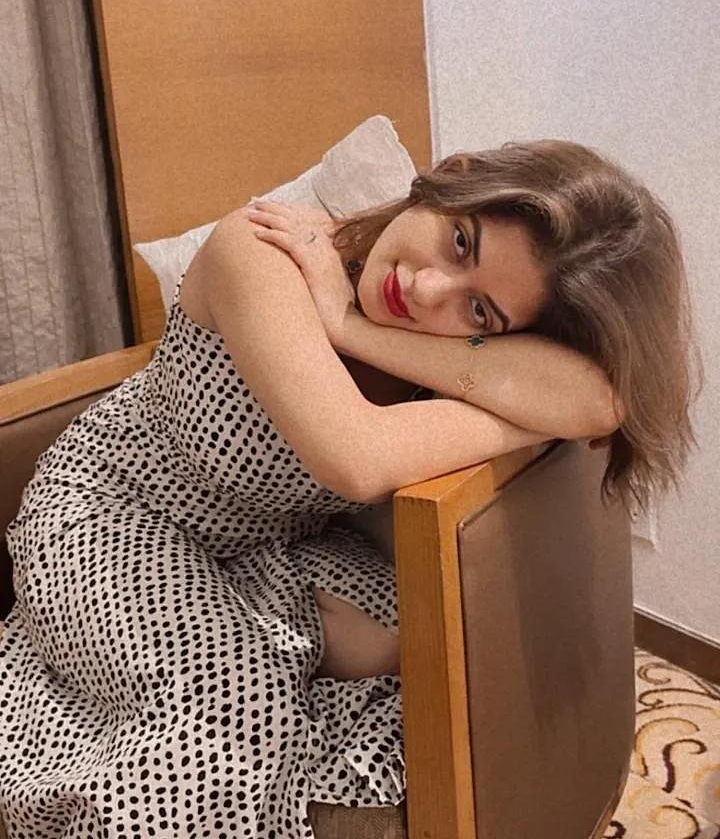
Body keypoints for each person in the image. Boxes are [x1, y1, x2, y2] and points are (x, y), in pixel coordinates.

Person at [0, 139, 702, 838]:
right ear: (448, 180)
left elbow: (600, 400)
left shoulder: (425, 334)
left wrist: (352, 328)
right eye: (460, 242)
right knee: (231, 703)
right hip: (109, 509)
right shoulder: (262, 249)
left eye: (481, 311)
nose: (427, 290)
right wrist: (499, 392)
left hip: (265, 544)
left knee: (442, 659)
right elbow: (357, 460)